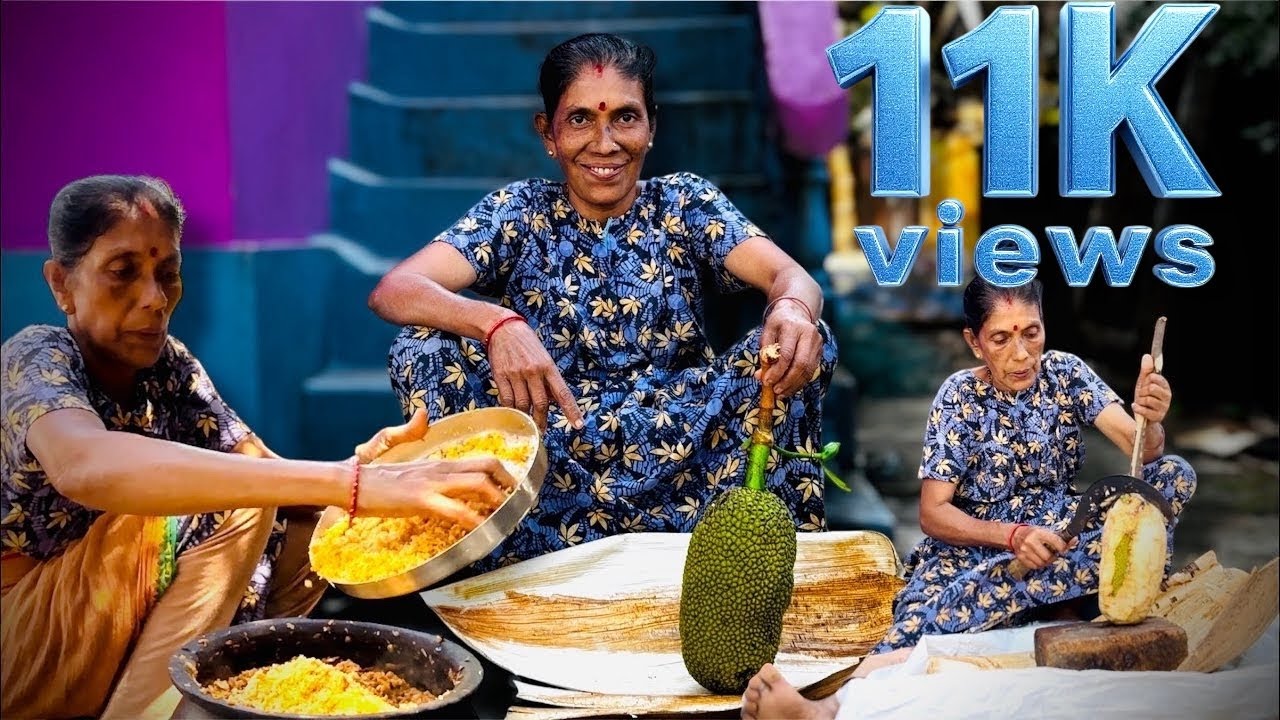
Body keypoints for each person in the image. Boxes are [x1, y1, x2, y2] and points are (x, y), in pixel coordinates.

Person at [0, 175, 516, 720]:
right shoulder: (37, 356)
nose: (154, 299)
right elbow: (83, 465)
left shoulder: (168, 368)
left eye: (168, 274)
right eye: (123, 272)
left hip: (107, 630)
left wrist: (370, 471)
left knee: (311, 530)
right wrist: (355, 486)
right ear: (61, 284)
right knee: (235, 499)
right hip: (27, 637)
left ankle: (189, 696)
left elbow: (268, 474)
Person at [369, 32, 838, 571]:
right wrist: (497, 324)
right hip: (548, 451)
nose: (605, 142)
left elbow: (789, 275)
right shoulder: (518, 213)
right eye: (579, 120)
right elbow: (396, 289)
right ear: (547, 133)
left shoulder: (684, 202)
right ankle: (485, 557)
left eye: (624, 117)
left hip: (680, 444)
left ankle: (758, 562)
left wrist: (790, 308)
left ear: (652, 127)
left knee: (803, 340)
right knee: (421, 346)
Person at [739, 276, 1197, 720]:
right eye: (1000, 339)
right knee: (925, 625)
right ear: (974, 342)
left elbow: (1143, 450)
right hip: (977, 548)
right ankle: (827, 710)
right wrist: (1013, 536)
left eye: (1031, 333)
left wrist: (1151, 418)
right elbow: (933, 513)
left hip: (1064, 538)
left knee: (1174, 474)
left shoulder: (1065, 373)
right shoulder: (959, 397)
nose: (1021, 355)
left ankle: (1066, 585)